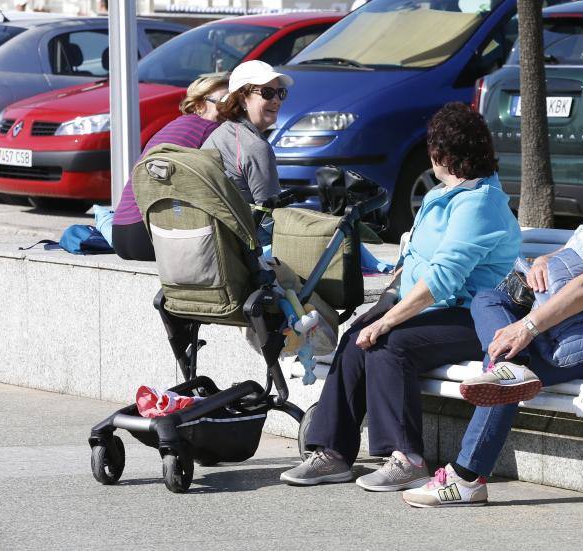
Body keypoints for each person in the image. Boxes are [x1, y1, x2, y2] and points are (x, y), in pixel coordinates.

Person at [402, 120, 583, 508]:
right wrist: (543, 262)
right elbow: (576, 254)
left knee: (504, 359)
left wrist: (527, 326)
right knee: (488, 299)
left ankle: (468, 477)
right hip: (578, 318)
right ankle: (512, 369)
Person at [280, 102, 522, 491]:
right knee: (357, 339)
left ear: (441, 155)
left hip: (471, 317)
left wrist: (388, 320)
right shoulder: (443, 194)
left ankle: (407, 458)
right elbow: (414, 263)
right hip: (427, 310)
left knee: (391, 345)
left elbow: (443, 279)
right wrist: (384, 305)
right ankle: (333, 452)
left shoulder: (480, 203)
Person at [111, 74, 229, 261]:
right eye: (224, 102)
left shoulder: (175, 125)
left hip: (120, 232)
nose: (230, 109)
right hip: (148, 236)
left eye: (234, 102)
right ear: (199, 105)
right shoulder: (211, 129)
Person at [201, 60, 290, 206]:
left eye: (280, 93)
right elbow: (273, 215)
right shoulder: (255, 146)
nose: (276, 101)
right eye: (267, 93)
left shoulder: (222, 132)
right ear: (243, 100)